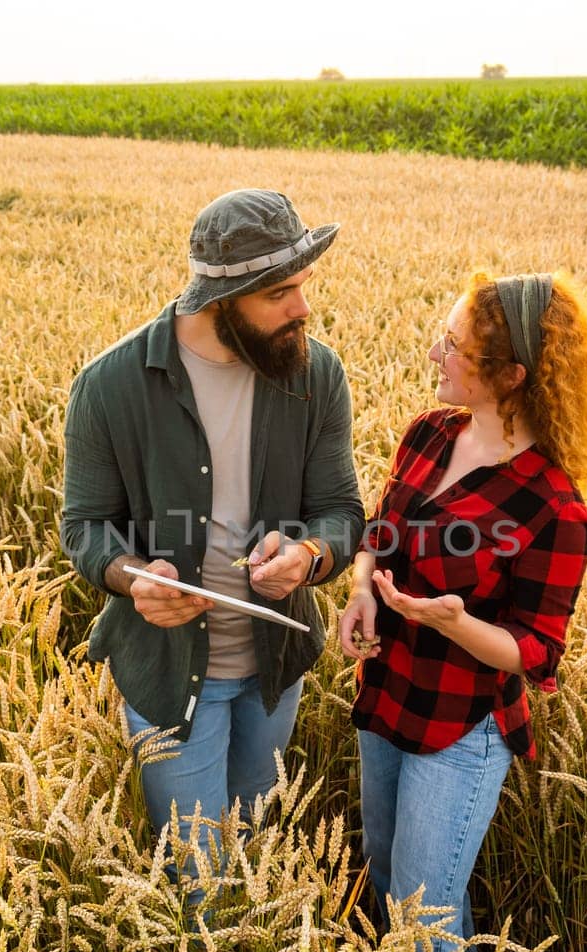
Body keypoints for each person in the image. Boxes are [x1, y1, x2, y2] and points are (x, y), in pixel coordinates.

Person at [62, 188, 364, 894]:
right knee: (199, 878)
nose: (303, 308)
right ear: (221, 298)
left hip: (273, 665)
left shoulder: (316, 375)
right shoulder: (109, 386)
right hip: (168, 674)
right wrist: (135, 577)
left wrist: (309, 556)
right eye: (280, 292)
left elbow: (340, 510)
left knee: (252, 850)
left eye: (303, 286)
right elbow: (84, 526)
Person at [338, 271, 587, 952]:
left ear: (512, 376)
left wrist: (451, 620)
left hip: (461, 728)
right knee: (392, 881)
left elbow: (535, 651)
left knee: (421, 927)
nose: (435, 354)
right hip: (389, 689)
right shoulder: (429, 432)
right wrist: (364, 587)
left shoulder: (554, 506)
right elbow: (383, 529)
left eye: (454, 347)